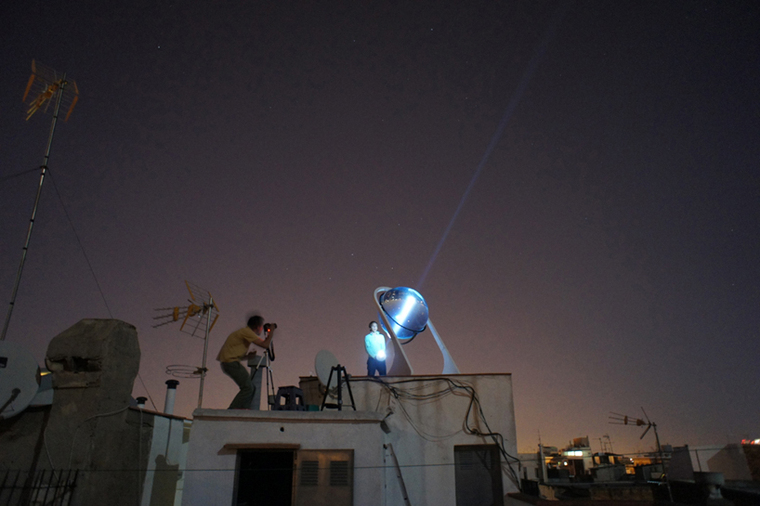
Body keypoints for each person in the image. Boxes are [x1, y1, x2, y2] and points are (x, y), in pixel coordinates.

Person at [217, 315, 274, 409]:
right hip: (230, 363)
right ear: (257, 326)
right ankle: (232, 411)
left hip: (229, 362)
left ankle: (243, 409)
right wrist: (271, 331)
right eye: (261, 326)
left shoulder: (244, 333)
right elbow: (265, 345)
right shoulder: (247, 332)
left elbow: (234, 353)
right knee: (248, 388)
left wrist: (248, 356)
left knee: (252, 387)